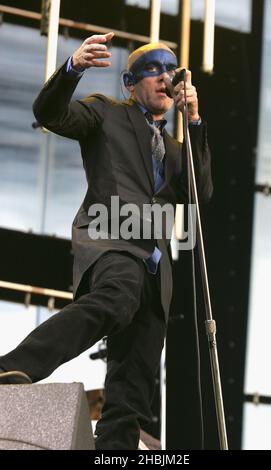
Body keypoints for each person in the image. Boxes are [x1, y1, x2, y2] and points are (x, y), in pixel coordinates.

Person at [0, 32, 213, 450]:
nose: (165, 78)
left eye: (171, 70)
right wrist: (72, 68)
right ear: (130, 84)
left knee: (133, 386)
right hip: (112, 241)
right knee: (116, 296)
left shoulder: (174, 150)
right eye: (153, 70)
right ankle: (13, 367)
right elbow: (50, 114)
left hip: (157, 272)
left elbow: (199, 191)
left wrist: (195, 124)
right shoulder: (107, 113)